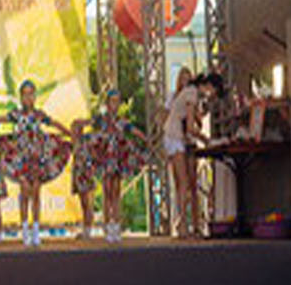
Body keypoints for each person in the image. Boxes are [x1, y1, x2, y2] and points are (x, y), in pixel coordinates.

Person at [0, 81, 75, 248]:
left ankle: (36, 229)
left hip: (37, 156)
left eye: (31, 94)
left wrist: (69, 133)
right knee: (25, 190)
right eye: (25, 94)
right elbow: (0, 119)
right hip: (21, 157)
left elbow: (53, 123)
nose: (28, 97)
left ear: (34, 96)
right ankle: (25, 228)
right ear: (21, 97)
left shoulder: (39, 115)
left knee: (36, 191)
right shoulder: (16, 114)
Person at [162, 70, 224, 238]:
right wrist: (206, 139)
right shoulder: (192, 94)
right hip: (175, 137)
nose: (211, 96)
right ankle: (182, 224)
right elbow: (190, 127)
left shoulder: (190, 92)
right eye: (213, 92)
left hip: (172, 136)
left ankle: (183, 223)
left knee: (182, 184)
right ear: (209, 86)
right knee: (184, 184)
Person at [83, 87, 149, 243]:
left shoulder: (122, 121)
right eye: (113, 101)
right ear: (107, 103)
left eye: (118, 102)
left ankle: (116, 226)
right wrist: (80, 129)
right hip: (106, 156)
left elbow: (133, 130)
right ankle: (108, 226)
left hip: (117, 157)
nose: (116, 104)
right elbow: (89, 125)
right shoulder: (101, 119)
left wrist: (145, 139)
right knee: (107, 191)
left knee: (116, 191)